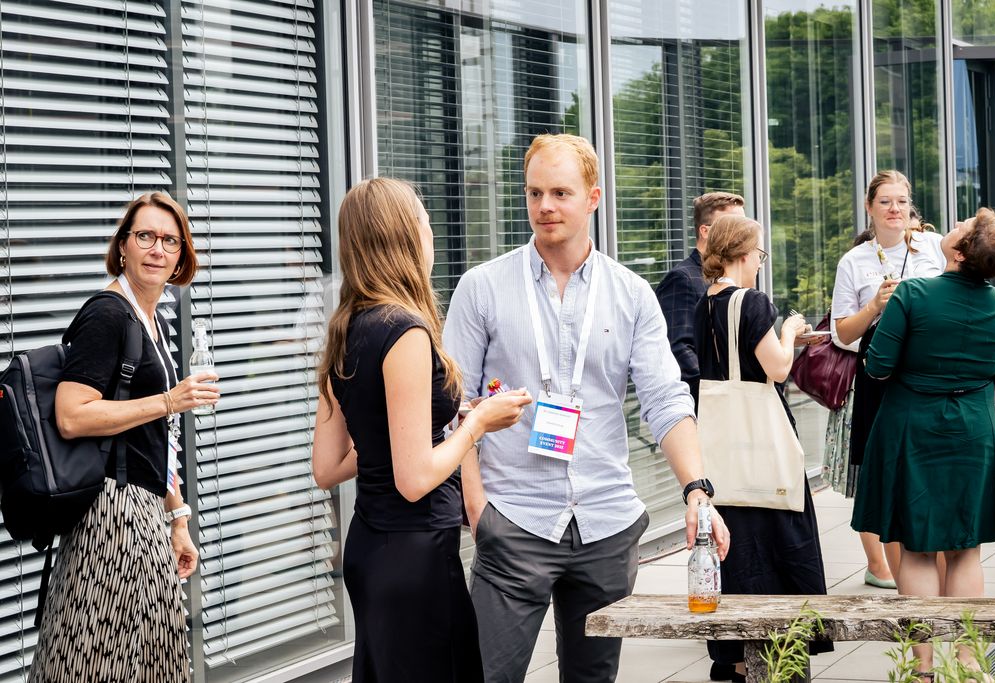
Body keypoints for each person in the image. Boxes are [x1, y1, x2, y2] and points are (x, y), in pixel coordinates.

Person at [443, 133, 729, 683]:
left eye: (560, 192)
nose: (545, 206)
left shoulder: (631, 294)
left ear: (593, 197)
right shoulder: (482, 288)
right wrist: (479, 511)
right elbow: (455, 407)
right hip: (514, 518)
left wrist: (696, 489)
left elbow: (666, 400)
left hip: (606, 521)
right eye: (533, 193)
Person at [311, 177, 532, 683]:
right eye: (426, 223)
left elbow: (327, 467)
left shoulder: (346, 326)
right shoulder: (405, 330)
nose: (432, 234)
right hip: (413, 556)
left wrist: (439, 426)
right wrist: (477, 422)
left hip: (370, 547)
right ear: (407, 237)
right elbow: (413, 478)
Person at [30, 192, 217, 682]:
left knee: (149, 656)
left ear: (181, 257)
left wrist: (177, 516)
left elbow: (154, 437)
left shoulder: (152, 319)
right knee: (98, 660)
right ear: (124, 247)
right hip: (110, 518)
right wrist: (169, 400)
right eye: (145, 237)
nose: (158, 249)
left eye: (170, 241)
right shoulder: (108, 313)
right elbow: (72, 415)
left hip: (144, 511)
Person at [852, 207, 995, 678]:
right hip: (973, 430)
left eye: (964, 225)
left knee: (918, 549)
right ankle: (967, 664)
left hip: (911, 428)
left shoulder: (913, 293)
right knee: (966, 548)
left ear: (962, 250)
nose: (955, 225)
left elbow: (877, 366)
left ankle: (921, 670)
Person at [694, 214, 832, 682]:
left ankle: (732, 659)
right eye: (759, 253)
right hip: (761, 451)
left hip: (723, 456)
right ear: (742, 253)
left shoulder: (705, 300)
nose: (759, 262)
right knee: (776, 548)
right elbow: (775, 368)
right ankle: (780, 657)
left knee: (736, 554)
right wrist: (791, 330)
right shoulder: (751, 301)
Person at [823, 170, 945, 590]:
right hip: (880, 382)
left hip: (932, 378)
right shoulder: (855, 261)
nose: (895, 209)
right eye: (885, 202)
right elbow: (841, 334)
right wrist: (875, 304)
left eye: (901, 201)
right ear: (869, 208)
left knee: (933, 480)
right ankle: (901, 582)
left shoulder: (934, 246)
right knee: (890, 485)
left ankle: (946, 587)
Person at [656, 192, 745, 403]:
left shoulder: (729, 277)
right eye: (733, 226)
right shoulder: (682, 278)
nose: (743, 234)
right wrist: (718, 396)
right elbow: (679, 349)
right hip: (707, 407)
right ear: (705, 231)